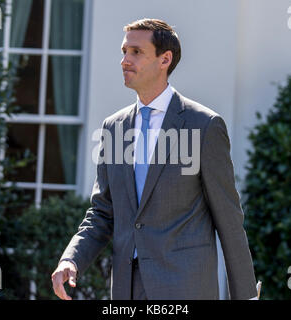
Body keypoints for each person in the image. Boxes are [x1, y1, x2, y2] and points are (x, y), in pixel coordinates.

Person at [51, 18, 258, 300]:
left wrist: (246, 296)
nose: (125, 60)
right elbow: (102, 212)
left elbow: (229, 219)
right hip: (126, 290)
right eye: (124, 51)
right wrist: (71, 259)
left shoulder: (204, 126)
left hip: (185, 289)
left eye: (136, 52)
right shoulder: (114, 128)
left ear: (165, 59)